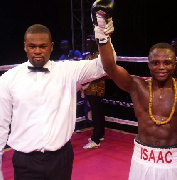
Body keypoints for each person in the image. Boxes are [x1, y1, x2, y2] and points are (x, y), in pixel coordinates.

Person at [0, 21, 114, 179]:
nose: (37, 51)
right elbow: (1, 124)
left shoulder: (67, 71)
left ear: (52, 46)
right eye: (32, 46)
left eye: (43, 46)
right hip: (25, 161)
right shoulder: (8, 79)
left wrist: (103, 37)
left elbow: (104, 66)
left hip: (61, 158)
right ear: (25, 46)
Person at [93, 10, 177, 179]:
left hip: (175, 162)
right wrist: (102, 35)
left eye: (167, 63)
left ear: (174, 64)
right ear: (149, 65)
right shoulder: (138, 87)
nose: (161, 67)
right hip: (142, 158)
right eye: (156, 63)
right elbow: (110, 68)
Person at [82, 35, 106, 149]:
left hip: (95, 88)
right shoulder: (89, 56)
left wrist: (87, 80)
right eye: (87, 43)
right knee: (98, 112)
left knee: (96, 114)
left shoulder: (98, 57)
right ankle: (100, 134)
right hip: (90, 88)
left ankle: (95, 139)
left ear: (94, 44)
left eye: (90, 43)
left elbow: (101, 73)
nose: (88, 45)